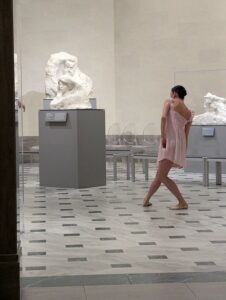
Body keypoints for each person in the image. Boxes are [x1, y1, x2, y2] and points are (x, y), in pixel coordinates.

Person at [143, 85, 194, 210]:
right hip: (179, 143)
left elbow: (163, 118)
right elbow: (186, 134)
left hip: (169, 140)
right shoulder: (189, 112)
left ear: (174, 93)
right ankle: (146, 200)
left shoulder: (169, 102)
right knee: (160, 173)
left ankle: (182, 202)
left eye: (171, 93)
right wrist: (183, 149)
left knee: (161, 175)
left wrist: (163, 136)